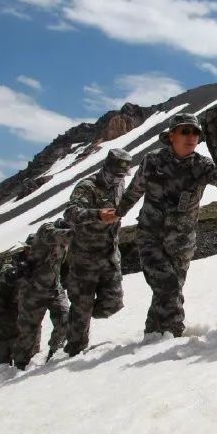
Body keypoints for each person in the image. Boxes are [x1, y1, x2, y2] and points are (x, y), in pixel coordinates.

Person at [116, 114, 217, 338]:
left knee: (168, 292)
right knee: (167, 286)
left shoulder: (202, 165)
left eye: (195, 133)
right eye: (185, 131)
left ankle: (153, 335)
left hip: (181, 243)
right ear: (171, 135)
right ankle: (173, 336)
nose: (191, 137)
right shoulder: (152, 161)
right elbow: (134, 191)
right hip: (150, 238)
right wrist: (118, 213)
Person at [63, 148, 132, 356]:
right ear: (105, 168)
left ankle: (80, 313)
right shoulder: (87, 187)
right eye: (114, 174)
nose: (117, 179)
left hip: (110, 255)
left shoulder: (120, 185)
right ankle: (74, 349)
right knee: (81, 305)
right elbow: (70, 214)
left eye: (121, 175)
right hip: (84, 259)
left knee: (113, 302)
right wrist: (98, 215)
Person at [11, 219, 74, 369]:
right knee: (28, 331)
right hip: (33, 292)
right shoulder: (46, 233)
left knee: (65, 319)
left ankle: (54, 354)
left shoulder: (63, 246)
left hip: (54, 290)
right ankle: (19, 365)